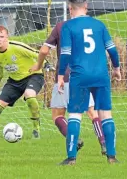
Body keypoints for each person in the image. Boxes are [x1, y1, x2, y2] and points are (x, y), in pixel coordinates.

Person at [57, 0, 121, 165]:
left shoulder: (68, 27)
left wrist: (61, 75)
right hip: (101, 75)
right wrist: (116, 68)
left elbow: (65, 54)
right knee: (105, 114)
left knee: (75, 114)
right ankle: (112, 156)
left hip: (79, 76)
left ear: (70, 8)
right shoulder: (99, 25)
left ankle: (71, 158)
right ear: (86, 6)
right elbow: (112, 50)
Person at [31, 21, 106, 155]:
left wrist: (38, 65)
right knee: (92, 113)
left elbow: (43, 50)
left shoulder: (60, 26)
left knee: (58, 115)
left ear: (70, 9)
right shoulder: (91, 26)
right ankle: (104, 142)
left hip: (64, 77)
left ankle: (75, 140)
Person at [0, 26, 45, 139]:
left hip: (33, 76)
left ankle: (36, 130)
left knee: (30, 96)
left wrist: (44, 64)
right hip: (14, 81)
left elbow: (38, 53)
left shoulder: (17, 47)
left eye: (2, 36)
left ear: (7, 37)